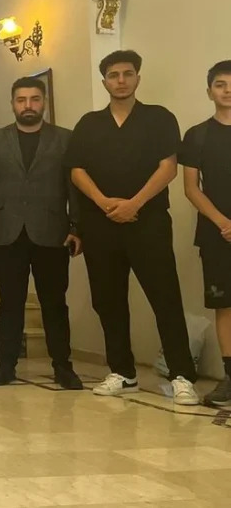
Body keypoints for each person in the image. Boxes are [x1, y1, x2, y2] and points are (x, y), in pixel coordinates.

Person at [67, 50, 199, 405]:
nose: (121, 80)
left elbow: (168, 168)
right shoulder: (89, 124)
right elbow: (76, 170)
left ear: (138, 77)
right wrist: (104, 203)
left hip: (148, 222)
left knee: (165, 297)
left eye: (127, 73)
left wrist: (133, 204)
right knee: (107, 301)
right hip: (101, 224)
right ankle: (123, 372)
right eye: (114, 75)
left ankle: (182, 375)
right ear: (104, 82)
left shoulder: (159, 118)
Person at [0, 77, 83, 390]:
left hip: (52, 232)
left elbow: (74, 187)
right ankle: (5, 365)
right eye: (21, 100)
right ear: (12, 104)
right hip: (6, 233)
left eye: (35, 99)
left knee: (55, 303)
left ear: (44, 103)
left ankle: (63, 366)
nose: (28, 105)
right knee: (10, 303)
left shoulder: (64, 138)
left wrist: (76, 227)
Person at [181, 60, 231, 406]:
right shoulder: (197, 135)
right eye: (220, 84)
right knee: (225, 305)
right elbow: (191, 188)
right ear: (209, 91)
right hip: (216, 234)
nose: (227, 90)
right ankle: (230, 378)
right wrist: (223, 223)